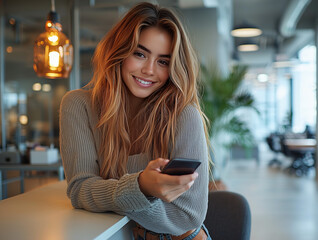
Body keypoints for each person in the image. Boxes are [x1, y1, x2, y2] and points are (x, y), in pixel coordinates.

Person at [59, 2, 211, 240]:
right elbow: (80, 191)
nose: (149, 70)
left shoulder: (183, 115)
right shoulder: (78, 105)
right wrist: (141, 187)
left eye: (163, 61)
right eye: (139, 54)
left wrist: (112, 193)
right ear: (118, 52)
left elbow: (187, 217)